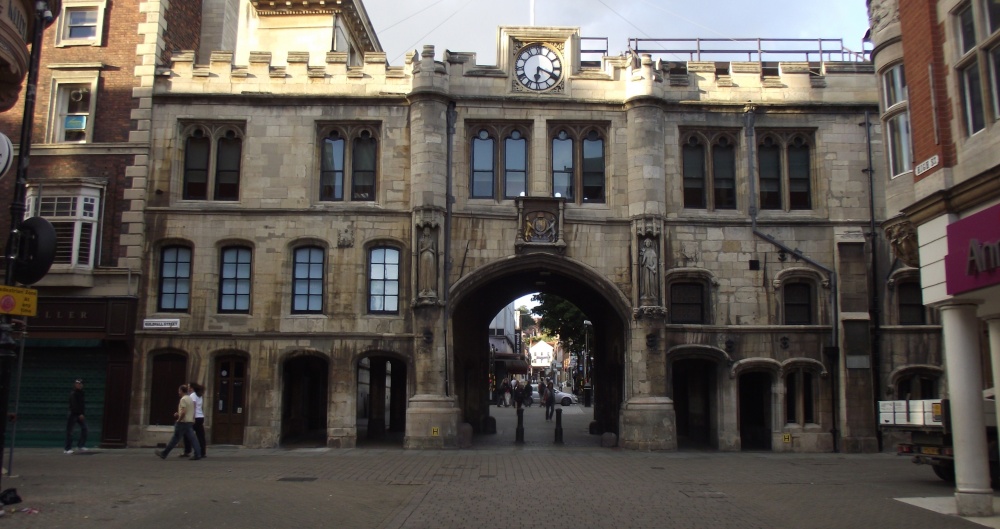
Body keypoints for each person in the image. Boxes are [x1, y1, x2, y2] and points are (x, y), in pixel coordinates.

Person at [155, 385, 202, 461]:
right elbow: (191, 410)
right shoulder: (190, 399)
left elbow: (183, 412)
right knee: (193, 439)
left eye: (179, 391)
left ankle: (164, 453)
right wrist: (192, 418)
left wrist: (179, 419)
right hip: (189, 421)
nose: (178, 392)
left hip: (183, 422)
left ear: (182, 391)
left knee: (175, 438)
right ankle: (198, 454)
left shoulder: (183, 399)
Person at [182, 382, 207, 458]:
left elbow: (193, 406)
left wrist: (192, 418)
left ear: (192, 388)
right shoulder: (200, 395)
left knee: (187, 433)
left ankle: (188, 450)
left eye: (189, 387)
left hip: (195, 417)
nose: (188, 388)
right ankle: (203, 452)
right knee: (200, 435)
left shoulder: (193, 395)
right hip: (200, 417)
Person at [64, 379, 88, 454]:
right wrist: (80, 413)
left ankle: (80, 445)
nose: (78, 385)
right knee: (70, 431)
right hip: (73, 414)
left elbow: (82, 404)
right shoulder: (73, 393)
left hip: (79, 414)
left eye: (80, 383)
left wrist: (82, 413)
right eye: (77, 383)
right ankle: (67, 449)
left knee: (85, 428)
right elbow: (74, 405)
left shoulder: (82, 393)